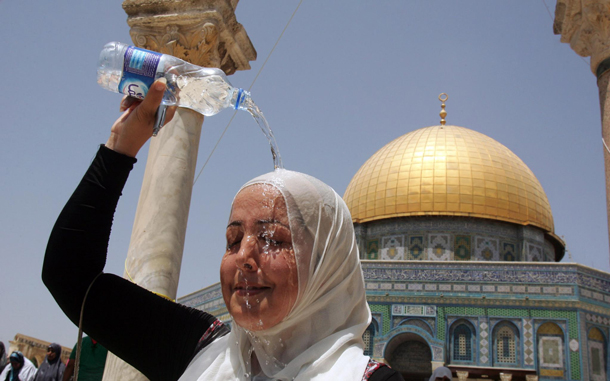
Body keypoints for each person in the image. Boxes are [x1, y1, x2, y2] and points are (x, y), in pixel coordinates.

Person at [43, 78, 403, 380]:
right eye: (233, 240)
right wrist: (121, 147)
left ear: (326, 265)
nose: (244, 257)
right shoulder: (199, 350)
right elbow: (72, 278)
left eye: (272, 239)